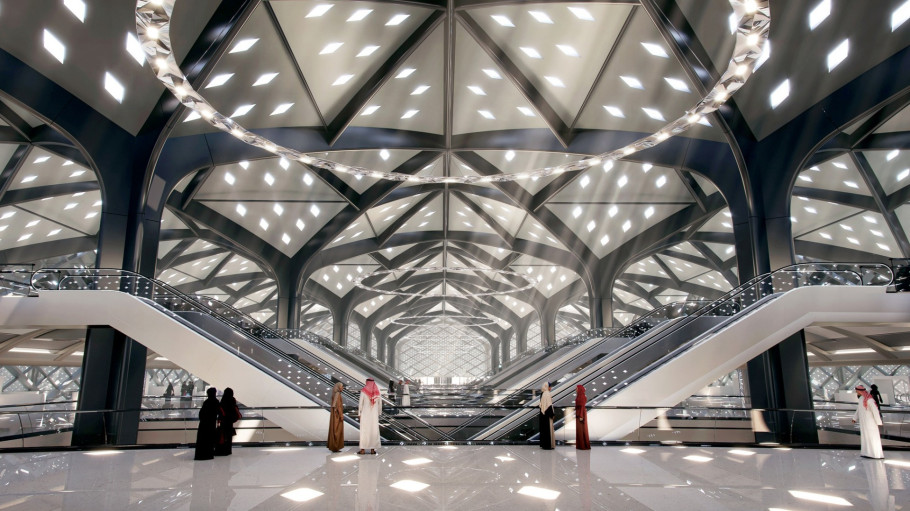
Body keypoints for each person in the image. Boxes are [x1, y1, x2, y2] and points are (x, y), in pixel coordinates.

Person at [853, 385, 884, 459]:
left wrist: (878, 422)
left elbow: (875, 411)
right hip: (864, 422)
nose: (856, 392)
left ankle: (875, 454)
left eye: (857, 391)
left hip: (871, 422)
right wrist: (855, 418)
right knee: (865, 437)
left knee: (872, 437)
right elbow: (858, 409)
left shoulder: (870, 400)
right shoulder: (861, 399)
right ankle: (866, 452)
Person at [194, 387, 222, 460]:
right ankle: (209, 454)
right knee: (210, 439)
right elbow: (220, 412)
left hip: (203, 424)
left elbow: (201, 414)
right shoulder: (216, 401)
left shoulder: (206, 402)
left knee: (202, 440)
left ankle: (201, 455)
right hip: (211, 423)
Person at [357, 378, 381, 455]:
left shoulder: (364, 391)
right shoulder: (377, 392)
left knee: (364, 431)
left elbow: (360, 403)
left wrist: (359, 413)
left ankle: (362, 450)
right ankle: (372, 450)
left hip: (365, 414)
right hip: (374, 415)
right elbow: (380, 404)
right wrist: (378, 413)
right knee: (373, 431)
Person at [215, 387, 240, 456]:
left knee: (223, 434)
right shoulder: (232, 400)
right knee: (229, 436)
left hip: (223, 421)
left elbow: (220, 410)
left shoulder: (223, 400)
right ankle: (228, 450)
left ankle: (222, 450)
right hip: (230, 421)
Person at [327, 382, 345, 452]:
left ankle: (334, 446)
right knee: (337, 430)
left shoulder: (334, 394)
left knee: (334, 430)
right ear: (338, 387)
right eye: (342, 387)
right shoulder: (338, 395)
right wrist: (341, 415)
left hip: (334, 415)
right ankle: (335, 446)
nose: (342, 388)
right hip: (337, 415)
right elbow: (338, 406)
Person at [539, 382, 555, 450]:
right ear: (547, 387)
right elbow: (549, 405)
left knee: (544, 430)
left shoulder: (542, 394)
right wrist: (552, 415)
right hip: (547, 415)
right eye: (550, 387)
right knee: (548, 430)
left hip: (542, 414)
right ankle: (548, 445)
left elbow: (541, 405)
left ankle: (544, 444)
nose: (550, 388)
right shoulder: (547, 394)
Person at [575, 384, 591, 450]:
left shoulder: (581, 396)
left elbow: (582, 406)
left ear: (580, 389)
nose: (576, 390)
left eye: (576, 388)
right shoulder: (580, 396)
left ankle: (582, 445)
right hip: (579, 414)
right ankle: (580, 445)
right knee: (580, 430)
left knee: (581, 430)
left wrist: (581, 416)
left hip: (580, 415)